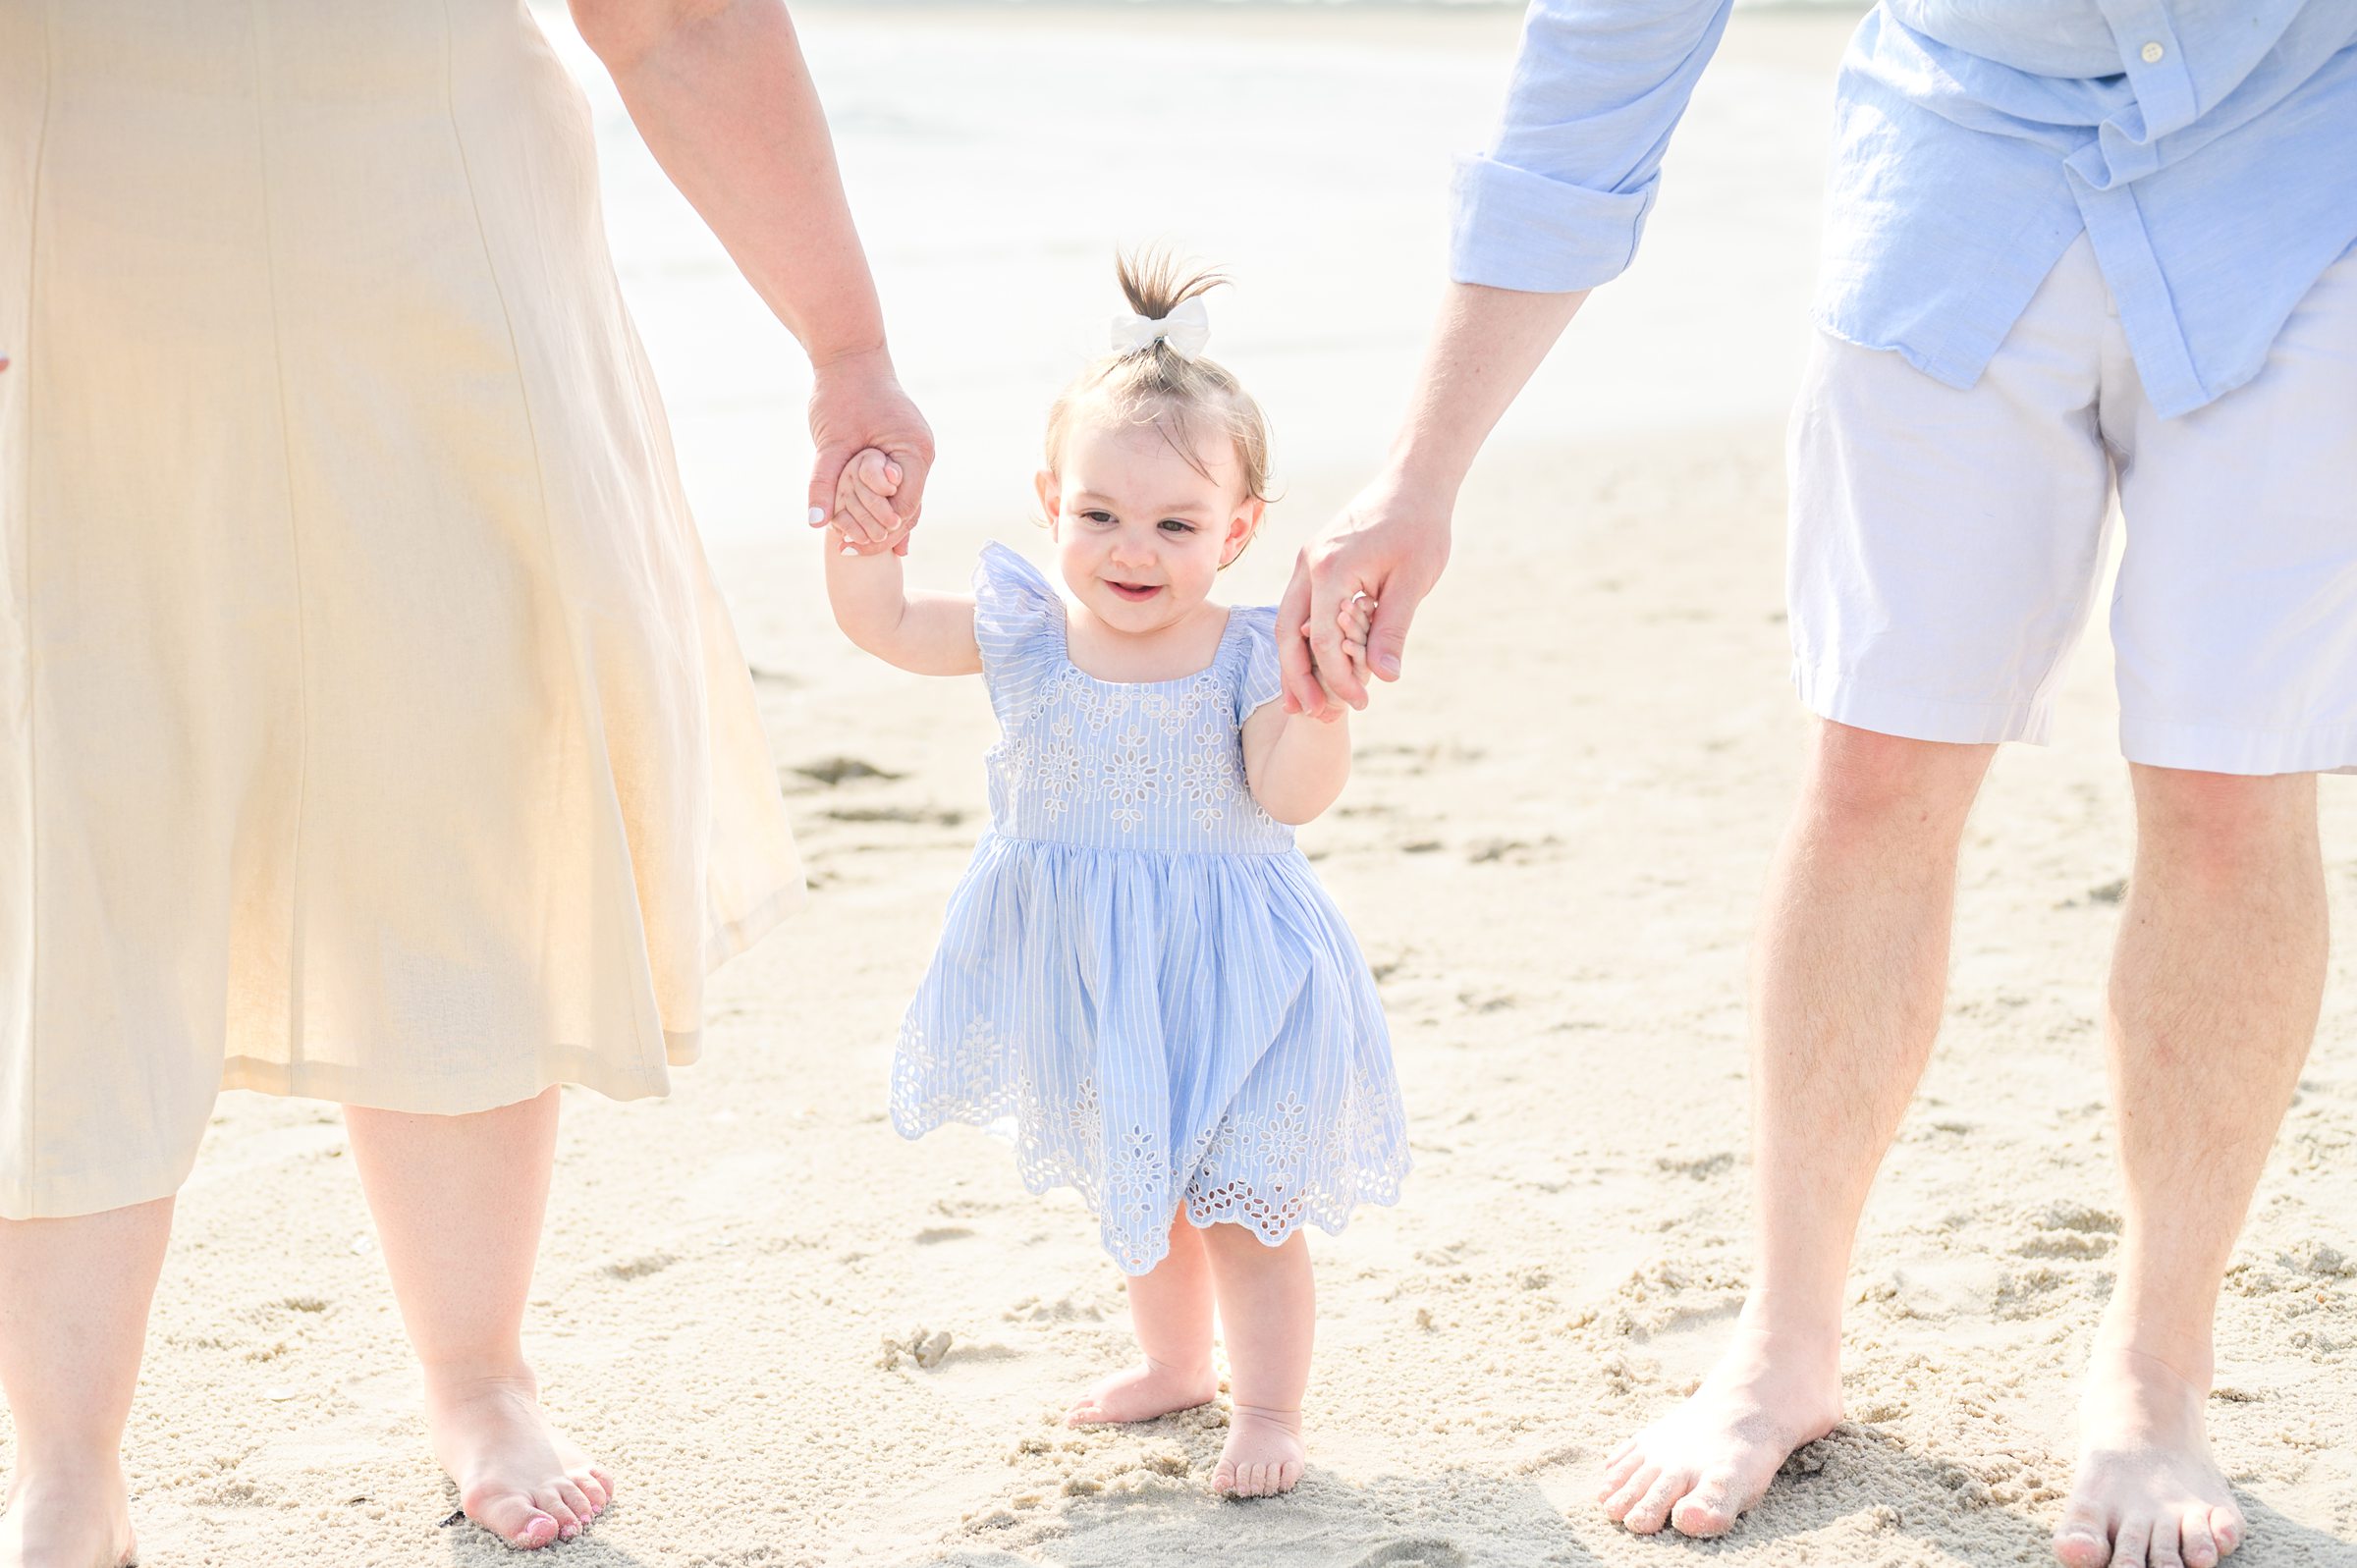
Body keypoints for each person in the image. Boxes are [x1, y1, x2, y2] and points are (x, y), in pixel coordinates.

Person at [1277, 3, 2357, 1564]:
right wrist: (1421, 469)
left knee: (2230, 785)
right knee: (1875, 767)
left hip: (2303, 178)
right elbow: (1612, 37)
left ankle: (2156, 1374)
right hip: (1961, 169)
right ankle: (1785, 1343)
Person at [0, 0, 927, 1558]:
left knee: (466, 812)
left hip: (445, 258)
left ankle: (478, 1372)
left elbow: (680, 19)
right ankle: (65, 1455)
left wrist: (849, 346)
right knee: (75, 854)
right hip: (78, 281)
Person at [821, 255, 1409, 1500]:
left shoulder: (1247, 652)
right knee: (1139, 1178)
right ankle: (1171, 1365)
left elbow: (1293, 793)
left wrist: (1322, 696)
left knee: (1244, 1205)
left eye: (1177, 526)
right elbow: (881, 624)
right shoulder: (1027, 635)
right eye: (1099, 516)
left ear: (1239, 532)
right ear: (1050, 503)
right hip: (1094, 971)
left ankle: (1268, 1404)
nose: (1131, 551)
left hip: (1236, 975)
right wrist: (864, 536)